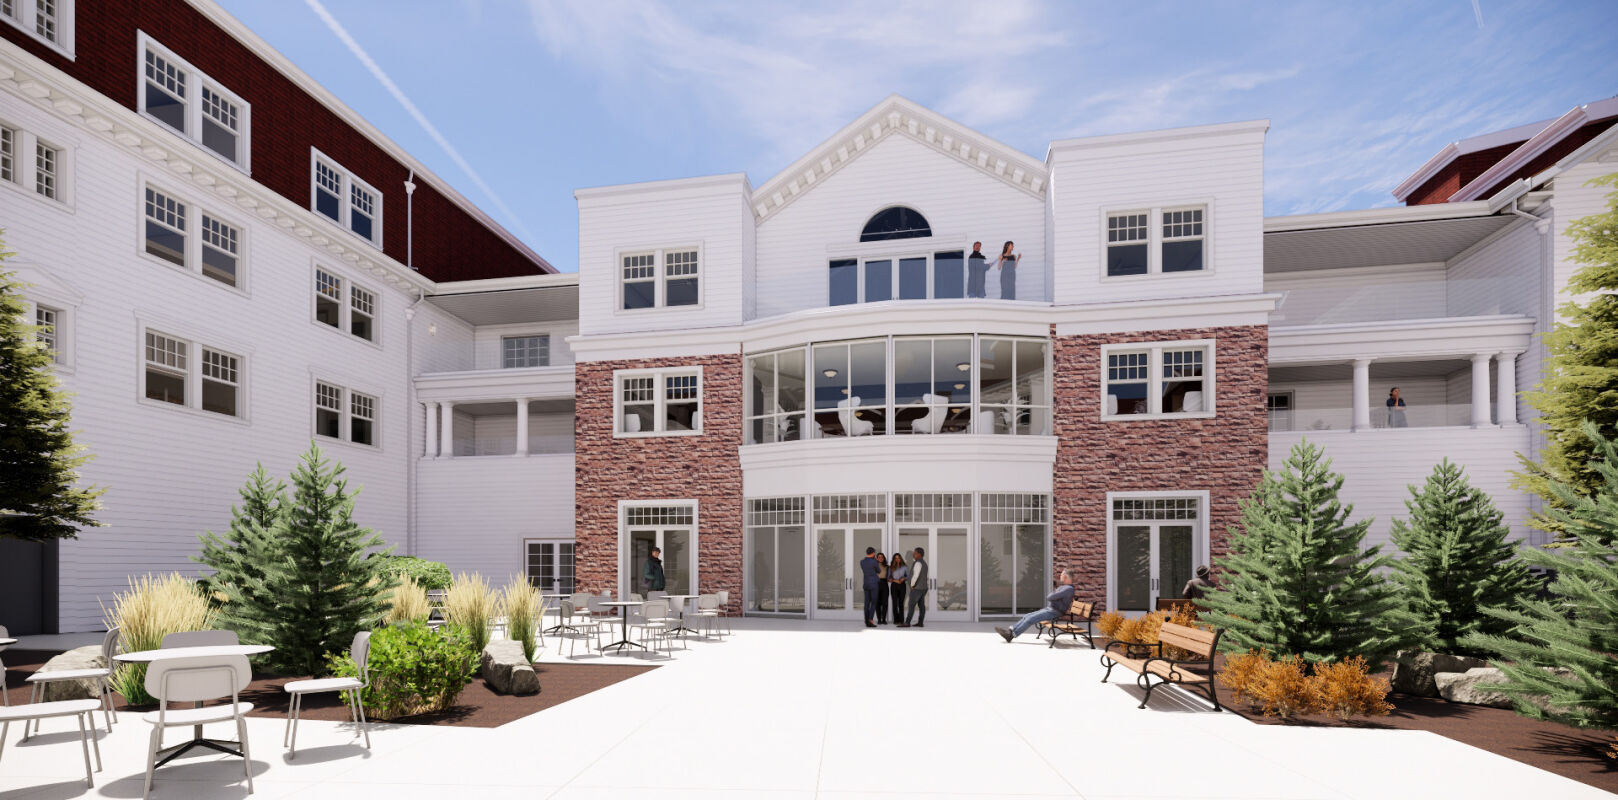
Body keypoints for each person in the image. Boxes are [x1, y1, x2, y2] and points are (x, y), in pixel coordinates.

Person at [995, 570, 1075, 642]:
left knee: (1031, 619)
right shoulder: (1064, 587)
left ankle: (1011, 635)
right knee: (1027, 616)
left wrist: (1054, 595)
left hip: (1055, 612)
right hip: (1051, 609)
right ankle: (1010, 630)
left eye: (1061, 575)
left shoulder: (1068, 589)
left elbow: (1050, 597)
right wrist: (1055, 596)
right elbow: (1052, 596)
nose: (1060, 577)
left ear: (1065, 577)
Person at [903, 547, 928, 628]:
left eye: (914, 553)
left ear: (919, 554)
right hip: (923, 588)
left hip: (917, 588)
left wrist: (912, 585)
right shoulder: (924, 563)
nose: (913, 554)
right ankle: (920, 622)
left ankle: (907, 623)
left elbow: (915, 575)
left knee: (911, 605)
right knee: (921, 605)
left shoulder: (918, 563)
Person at [859, 547, 881, 628]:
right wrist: (876, 561)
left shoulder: (862, 562)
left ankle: (866, 620)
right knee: (874, 602)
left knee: (866, 603)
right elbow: (878, 571)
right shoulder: (874, 561)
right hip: (874, 584)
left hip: (866, 584)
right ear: (873, 553)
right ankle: (870, 620)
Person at [888, 553, 909, 624]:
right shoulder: (891, 567)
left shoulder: (905, 567)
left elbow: (908, 576)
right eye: (896, 558)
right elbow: (888, 578)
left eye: (898, 558)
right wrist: (894, 580)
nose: (897, 559)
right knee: (894, 603)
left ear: (900, 558)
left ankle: (901, 620)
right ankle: (896, 620)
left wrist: (904, 578)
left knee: (901, 603)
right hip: (894, 585)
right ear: (894, 559)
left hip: (902, 585)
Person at [874, 552, 890, 625]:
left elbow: (889, 576)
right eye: (879, 557)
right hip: (876, 584)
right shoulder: (874, 566)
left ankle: (884, 619)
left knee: (885, 603)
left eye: (882, 557)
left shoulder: (887, 567)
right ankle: (879, 619)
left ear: (884, 558)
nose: (880, 558)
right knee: (877, 603)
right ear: (877, 558)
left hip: (884, 584)